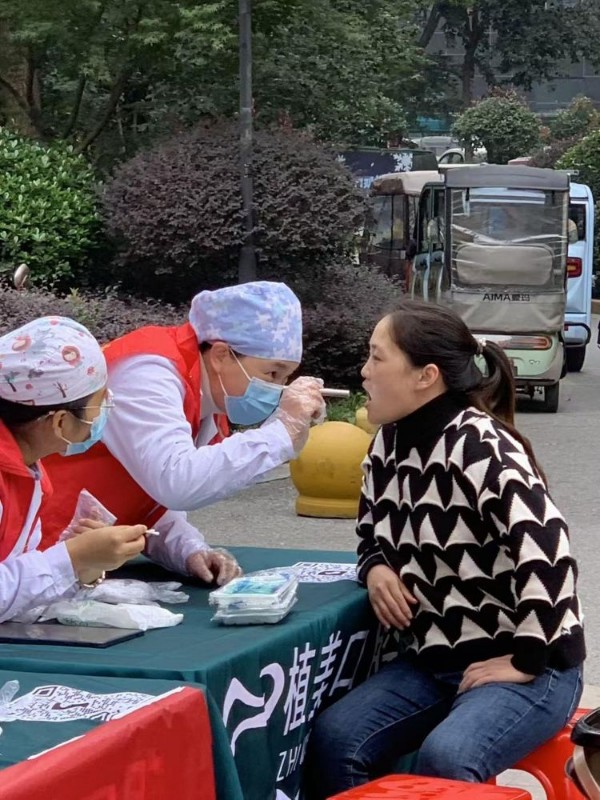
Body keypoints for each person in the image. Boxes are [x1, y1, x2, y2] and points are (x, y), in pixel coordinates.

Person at [305, 298, 585, 797]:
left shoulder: (480, 445)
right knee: (336, 739)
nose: (364, 371)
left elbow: (549, 551)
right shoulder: (386, 444)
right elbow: (370, 532)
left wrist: (525, 659)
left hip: (535, 667)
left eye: (376, 357)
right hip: (434, 661)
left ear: (425, 376)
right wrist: (376, 568)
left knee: (448, 756)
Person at [41, 281, 325, 585]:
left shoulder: (209, 400)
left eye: (285, 377)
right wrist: (281, 433)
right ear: (220, 355)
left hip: (76, 558)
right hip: (36, 556)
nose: (279, 388)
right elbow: (176, 481)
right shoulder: (147, 371)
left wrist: (189, 550)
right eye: (272, 373)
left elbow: (148, 498)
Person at [0, 317, 148, 622]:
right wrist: (72, 558)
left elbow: (15, 580)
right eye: (100, 403)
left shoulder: (27, 468)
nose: (105, 411)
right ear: (60, 422)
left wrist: (85, 567)